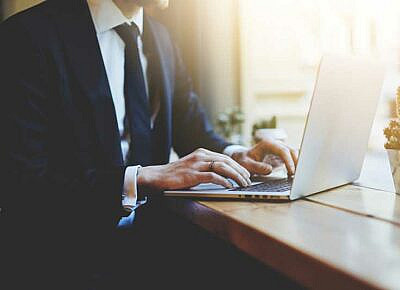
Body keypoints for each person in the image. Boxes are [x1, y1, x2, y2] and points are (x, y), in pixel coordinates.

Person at [0, 0, 297, 288]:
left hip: (155, 248)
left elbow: (192, 129)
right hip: (63, 261)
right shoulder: (27, 37)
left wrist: (237, 154)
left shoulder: (161, 38)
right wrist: (140, 179)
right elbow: (24, 188)